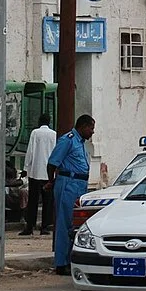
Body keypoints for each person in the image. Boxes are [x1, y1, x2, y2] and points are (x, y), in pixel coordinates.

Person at [48, 114, 95, 276]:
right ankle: (61, 263)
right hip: (68, 183)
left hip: (80, 185)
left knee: (76, 224)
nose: (92, 132)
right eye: (91, 128)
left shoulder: (80, 143)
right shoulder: (68, 139)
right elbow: (52, 162)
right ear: (82, 126)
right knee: (64, 222)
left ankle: (70, 259)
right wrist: (51, 181)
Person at [23, 113, 56, 236]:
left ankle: (30, 227)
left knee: (33, 201)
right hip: (48, 173)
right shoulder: (54, 134)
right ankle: (45, 227)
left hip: (35, 171)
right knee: (48, 201)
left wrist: (26, 167)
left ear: (39, 121)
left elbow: (30, 151)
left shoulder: (35, 133)